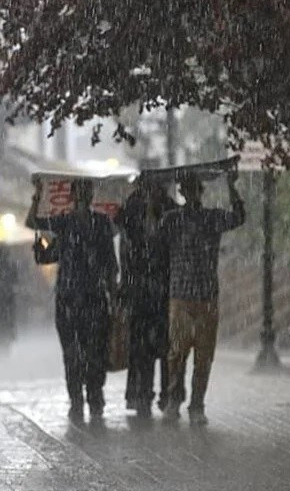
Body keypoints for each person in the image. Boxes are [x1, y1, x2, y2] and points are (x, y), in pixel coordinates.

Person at [26, 179, 118, 423]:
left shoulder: (101, 224)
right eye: (80, 191)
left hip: (95, 299)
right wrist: (37, 196)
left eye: (87, 191)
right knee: (72, 353)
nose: (84, 195)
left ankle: (94, 397)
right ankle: (77, 399)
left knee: (95, 352)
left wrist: (113, 293)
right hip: (69, 300)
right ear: (74, 195)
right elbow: (33, 224)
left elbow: (110, 263)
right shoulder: (64, 223)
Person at [160, 170, 245, 426]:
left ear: (200, 191)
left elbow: (239, 217)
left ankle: (197, 404)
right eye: (187, 189)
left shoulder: (212, 218)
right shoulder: (172, 219)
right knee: (177, 352)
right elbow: (153, 235)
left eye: (195, 189)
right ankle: (174, 399)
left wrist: (232, 187)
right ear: (183, 193)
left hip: (206, 295)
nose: (191, 193)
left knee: (203, 356)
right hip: (181, 296)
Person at [115, 179, 182, 418]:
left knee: (165, 347)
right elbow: (124, 240)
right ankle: (142, 395)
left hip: (162, 289)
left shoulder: (170, 209)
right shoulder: (132, 207)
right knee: (141, 346)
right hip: (141, 290)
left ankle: (167, 395)